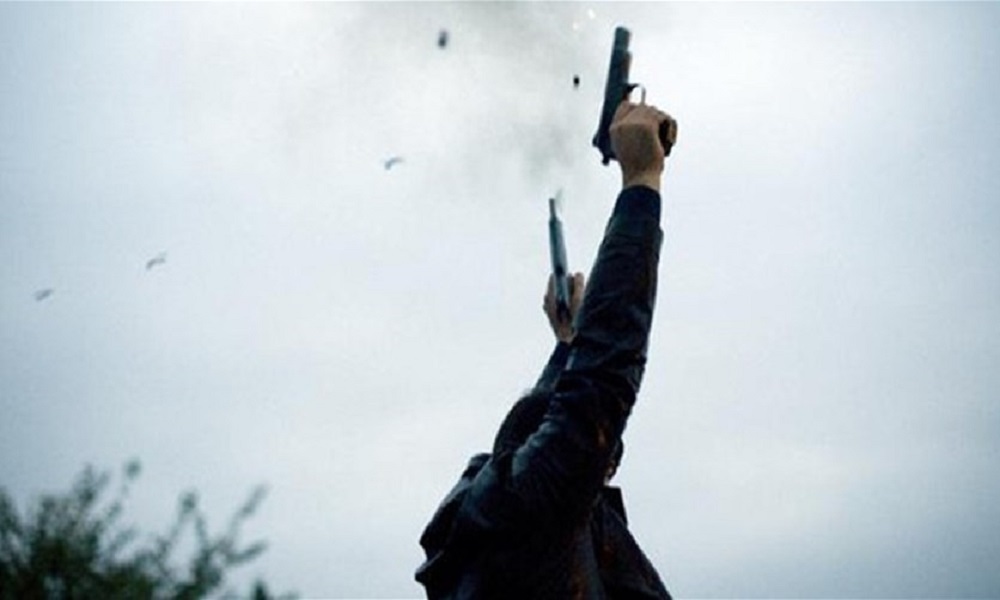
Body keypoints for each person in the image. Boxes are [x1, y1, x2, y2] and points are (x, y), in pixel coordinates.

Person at [415, 99, 678, 599]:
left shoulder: (500, 517)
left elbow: (573, 404)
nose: (601, 465)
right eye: (596, 460)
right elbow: (599, 384)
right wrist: (641, 186)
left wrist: (567, 349)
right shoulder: (531, 513)